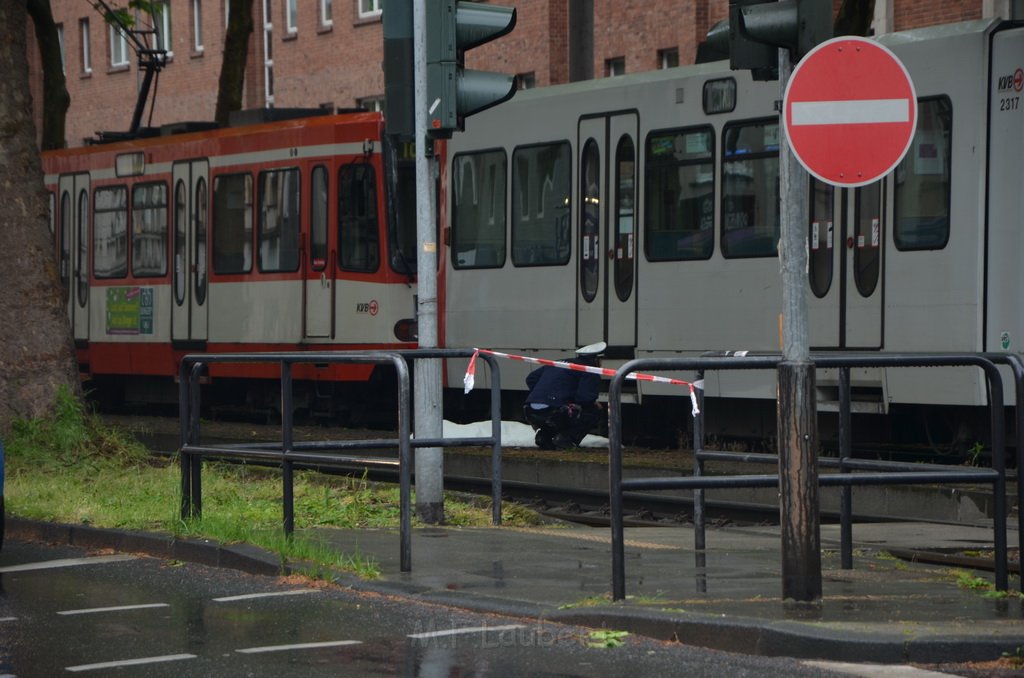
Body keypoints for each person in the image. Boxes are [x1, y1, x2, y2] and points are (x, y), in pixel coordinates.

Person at [523, 342, 607, 450]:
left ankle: (544, 437)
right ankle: (566, 439)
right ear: (596, 360)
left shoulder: (558, 363)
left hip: (530, 410)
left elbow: (531, 378)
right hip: (556, 412)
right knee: (594, 410)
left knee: (556, 414)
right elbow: (586, 399)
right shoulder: (589, 370)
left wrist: (543, 395)